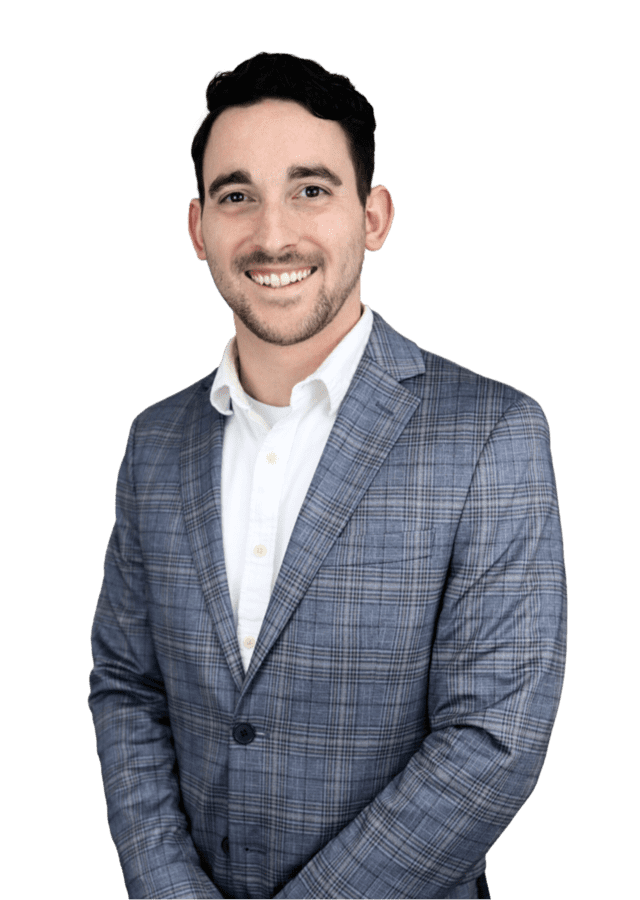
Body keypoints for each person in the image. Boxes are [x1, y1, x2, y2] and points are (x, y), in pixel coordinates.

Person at [88, 52, 567, 900]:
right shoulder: (154, 442)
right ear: (198, 228)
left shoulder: (491, 433)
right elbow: (128, 686)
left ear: (373, 216)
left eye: (311, 189)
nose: (273, 235)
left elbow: (493, 739)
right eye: (237, 196)